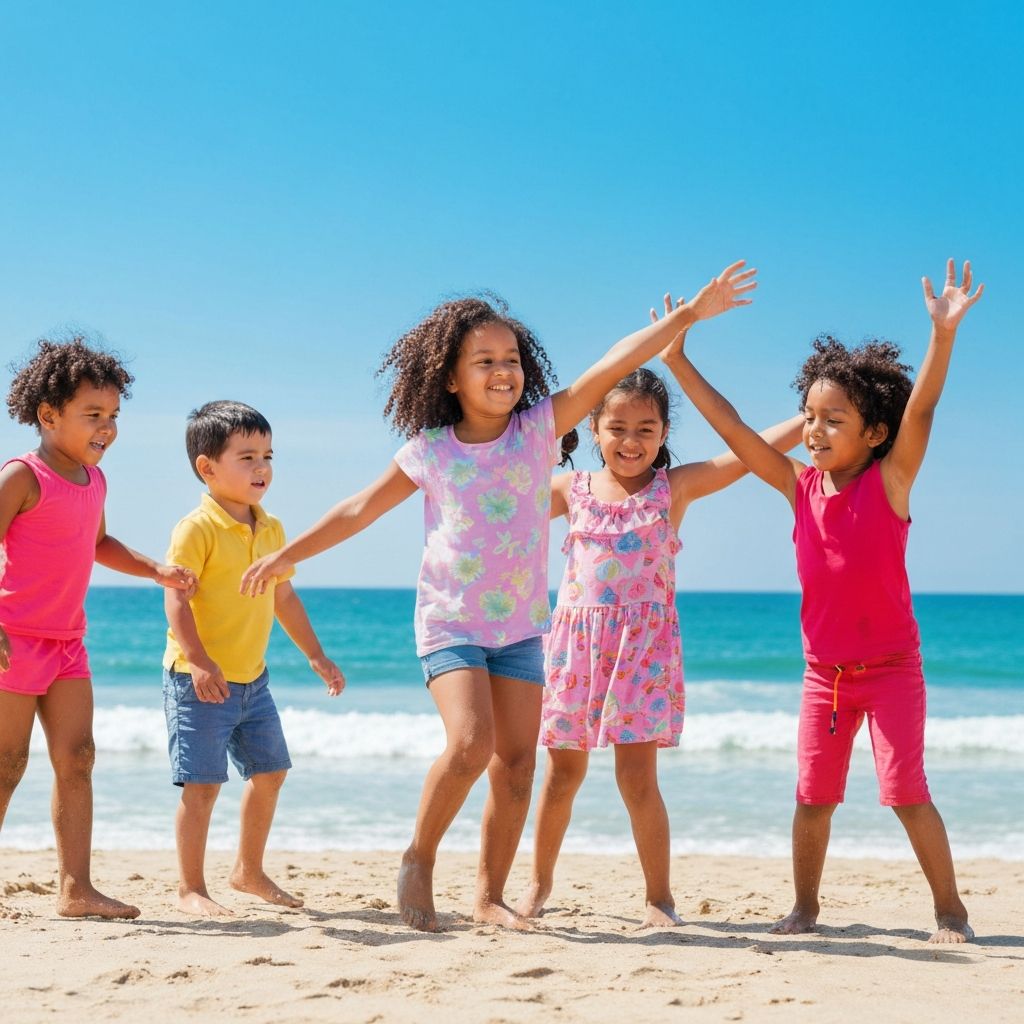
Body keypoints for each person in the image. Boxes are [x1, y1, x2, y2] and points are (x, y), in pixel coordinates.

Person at [240, 261, 757, 931]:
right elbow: (359, 510)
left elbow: (610, 364)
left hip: (520, 629)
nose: (502, 370)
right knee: (472, 742)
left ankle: (489, 896)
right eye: (483, 360)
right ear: (451, 376)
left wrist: (686, 317)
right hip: (450, 622)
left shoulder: (539, 430)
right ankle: (418, 859)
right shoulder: (428, 451)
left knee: (516, 765)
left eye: (510, 357)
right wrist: (286, 554)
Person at [660, 259, 983, 943]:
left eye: (833, 419)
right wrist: (677, 358)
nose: (813, 429)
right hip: (825, 679)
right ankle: (804, 909)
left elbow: (920, 406)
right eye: (809, 416)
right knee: (812, 799)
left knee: (906, 795)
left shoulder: (891, 482)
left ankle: (950, 911)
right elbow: (735, 428)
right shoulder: (797, 486)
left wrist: (943, 336)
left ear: (874, 432)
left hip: (893, 671)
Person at [518, 327, 802, 926]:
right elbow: (501, 507)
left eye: (646, 429)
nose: (630, 440)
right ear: (593, 429)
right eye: (617, 427)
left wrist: (809, 420)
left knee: (637, 779)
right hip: (576, 648)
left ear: (664, 434)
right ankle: (537, 887)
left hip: (641, 655)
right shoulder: (570, 489)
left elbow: (746, 456)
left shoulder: (673, 488)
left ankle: (659, 898)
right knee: (561, 774)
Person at [0, 337, 196, 919]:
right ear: (48, 415)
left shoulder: (93, 480)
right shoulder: (22, 475)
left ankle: (75, 889)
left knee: (78, 756)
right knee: (7, 763)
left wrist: (155, 569)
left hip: (66, 644)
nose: (106, 428)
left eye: (113, 416)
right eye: (93, 416)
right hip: (14, 640)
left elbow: (99, 542)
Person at [162, 400, 344, 916]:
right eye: (247, 457)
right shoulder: (196, 528)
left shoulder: (272, 529)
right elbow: (175, 598)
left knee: (270, 773)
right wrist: (198, 660)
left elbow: (283, 597)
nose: (262, 466)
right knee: (202, 786)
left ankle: (248, 869)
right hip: (197, 681)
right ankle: (191, 888)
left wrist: (316, 655)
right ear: (208, 467)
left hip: (252, 682)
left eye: (268, 455)